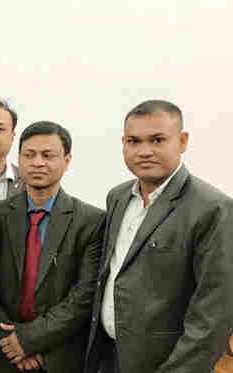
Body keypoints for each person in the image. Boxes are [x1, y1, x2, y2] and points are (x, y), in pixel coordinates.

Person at [84, 100, 233, 373]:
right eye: (134, 141)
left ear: (183, 141)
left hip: (166, 364)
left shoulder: (213, 208)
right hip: (110, 358)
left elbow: (213, 314)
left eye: (157, 140)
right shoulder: (117, 197)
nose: (144, 151)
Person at [0, 121, 104, 373]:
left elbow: (85, 295)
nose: (37, 163)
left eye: (48, 155)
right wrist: (11, 342)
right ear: (19, 159)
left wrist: (29, 341)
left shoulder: (91, 221)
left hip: (58, 356)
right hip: (1, 354)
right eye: (29, 155)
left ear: (66, 161)